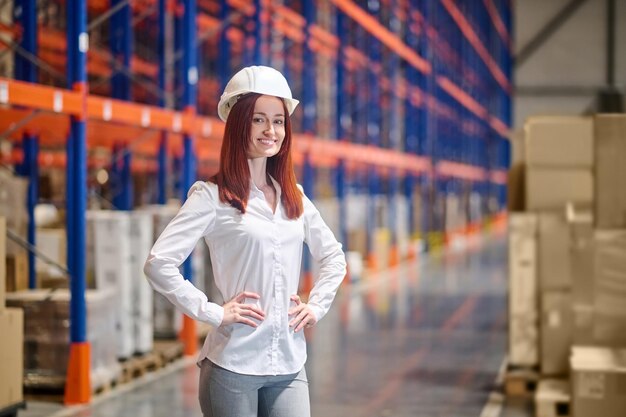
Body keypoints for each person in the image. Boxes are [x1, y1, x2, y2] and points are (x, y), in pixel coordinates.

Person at [144, 65, 347, 417]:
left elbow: (334, 256)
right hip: (233, 366)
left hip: (289, 362)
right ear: (239, 124)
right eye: (258, 120)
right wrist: (211, 311)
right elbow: (159, 263)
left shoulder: (293, 197)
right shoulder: (212, 197)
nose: (271, 130)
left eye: (279, 121)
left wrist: (316, 306)